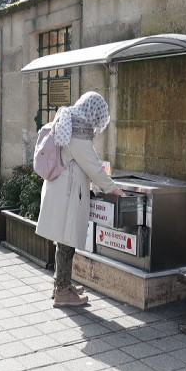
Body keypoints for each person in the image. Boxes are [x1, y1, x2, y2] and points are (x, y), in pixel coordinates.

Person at [36, 92, 125, 307]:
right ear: (93, 112)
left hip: (61, 190)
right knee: (66, 243)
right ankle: (62, 291)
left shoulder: (68, 121)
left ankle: (61, 284)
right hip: (67, 195)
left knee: (63, 241)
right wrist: (112, 188)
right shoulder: (78, 132)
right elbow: (92, 166)